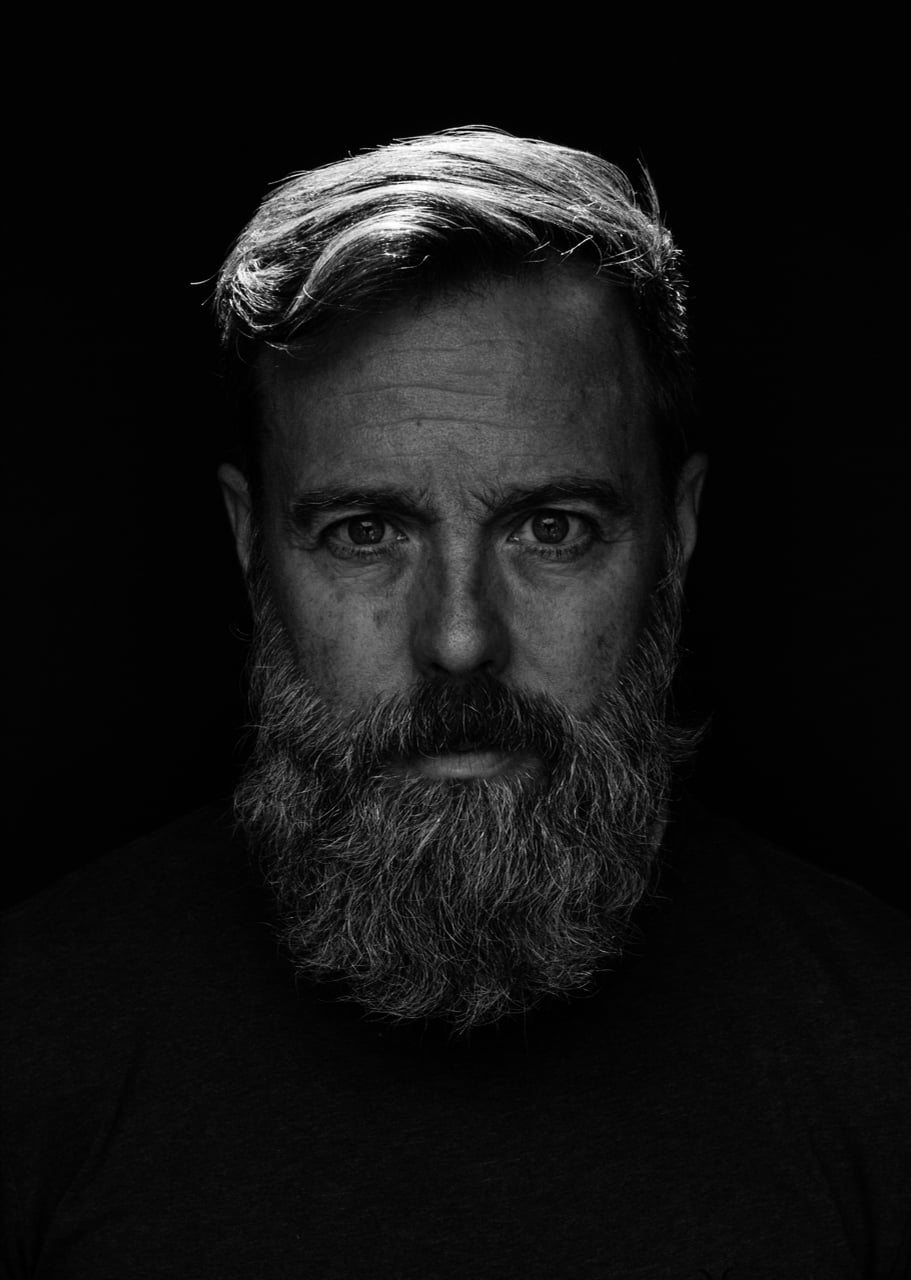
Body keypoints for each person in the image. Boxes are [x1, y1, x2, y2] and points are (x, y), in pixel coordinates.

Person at [2, 127, 909, 1278]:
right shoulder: (31, 1043)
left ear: (675, 535)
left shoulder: (881, 1050)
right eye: (365, 531)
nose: (460, 638)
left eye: (550, 528)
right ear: (248, 543)